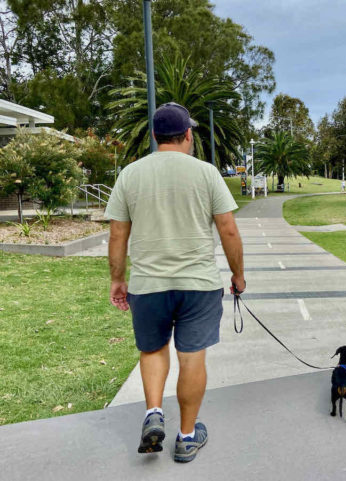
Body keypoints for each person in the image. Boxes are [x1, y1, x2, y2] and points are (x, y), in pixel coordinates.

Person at [105, 102, 245, 463]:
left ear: (153, 135)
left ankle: (154, 412)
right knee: (191, 357)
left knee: (152, 350)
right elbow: (228, 229)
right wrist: (238, 275)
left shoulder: (130, 175)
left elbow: (118, 235)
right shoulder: (207, 173)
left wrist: (118, 280)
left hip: (148, 285)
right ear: (187, 135)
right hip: (198, 285)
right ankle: (186, 436)